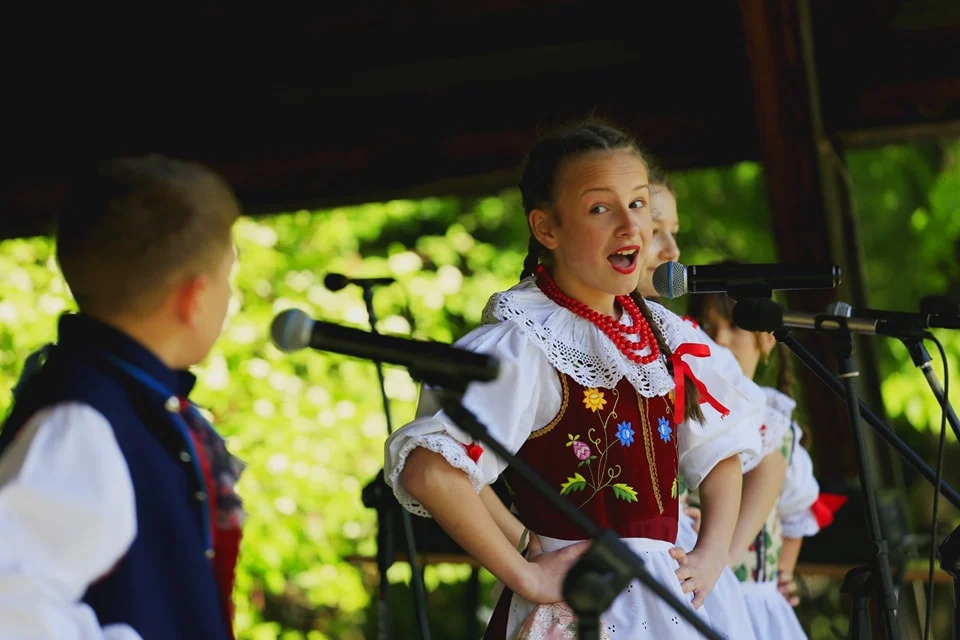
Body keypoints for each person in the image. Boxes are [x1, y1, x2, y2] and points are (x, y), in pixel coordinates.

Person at [384, 120, 765, 639]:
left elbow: (720, 448)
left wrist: (714, 552)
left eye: (637, 205)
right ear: (546, 229)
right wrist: (526, 572)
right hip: (579, 608)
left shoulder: (666, 336)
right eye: (600, 209)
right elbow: (430, 470)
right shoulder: (525, 344)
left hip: (671, 604)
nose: (631, 227)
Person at [0, 155, 244, 640]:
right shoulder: (81, 419)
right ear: (194, 298)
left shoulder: (134, 401)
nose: (230, 296)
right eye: (228, 280)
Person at [636, 168, 795, 639]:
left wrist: (719, 554)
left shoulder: (688, 353)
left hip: (702, 574)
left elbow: (763, 466)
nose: (672, 251)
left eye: (672, 232)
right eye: (655, 231)